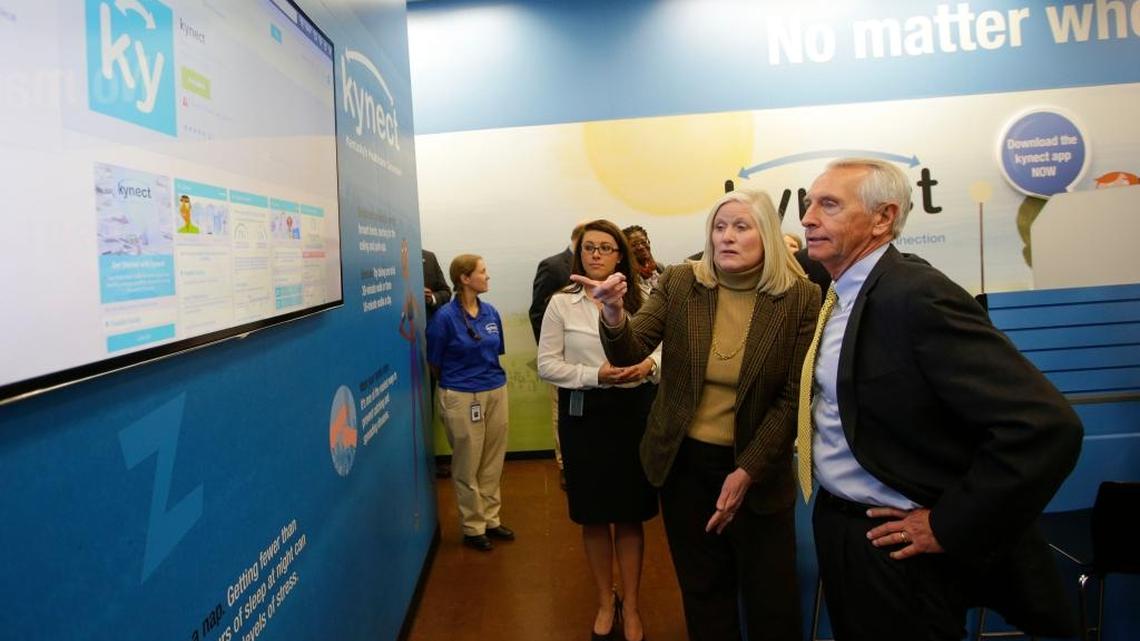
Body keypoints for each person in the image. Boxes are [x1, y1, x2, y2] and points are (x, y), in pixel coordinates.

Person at [798, 158, 1083, 640]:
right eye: (808, 204)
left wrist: (949, 525)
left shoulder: (916, 295)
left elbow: (1046, 425)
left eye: (829, 204)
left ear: (883, 217)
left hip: (900, 552)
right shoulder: (842, 293)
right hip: (843, 528)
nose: (807, 218)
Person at [579, 190, 820, 641]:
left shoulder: (800, 298)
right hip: (685, 465)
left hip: (758, 466)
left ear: (766, 233)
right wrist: (613, 312)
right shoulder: (682, 283)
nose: (726, 236)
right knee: (704, 591)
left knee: (772, 599)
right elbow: (632, 347)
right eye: (719, 226)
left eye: (741, 227)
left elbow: (792, 397)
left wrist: (747, 470)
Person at [538, 219, 662, 641]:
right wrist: (597, 375)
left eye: (605, 248)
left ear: (620, 255)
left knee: (630, 517)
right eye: (589, 247)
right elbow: (547, 364)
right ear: (579, 254)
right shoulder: (561, 303)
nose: (595, 254)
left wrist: (650, 365)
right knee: (593, 517)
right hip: (584, 414)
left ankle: (632, 607)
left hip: (634, 412)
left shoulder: (645, 297)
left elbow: (667, 347)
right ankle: (605, 602)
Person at [426, 254, 515, 551]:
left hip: (495, 390)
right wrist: (460, 382)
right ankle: (473, 526)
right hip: (461, 395)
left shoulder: (490, 312)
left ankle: (491, 518)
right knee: (467, 463)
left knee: (492, 459)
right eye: (482, 271)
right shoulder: (444, 319)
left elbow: (496, 350)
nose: (487, 276)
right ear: (465, 279)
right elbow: (435, 363)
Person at [530, 223, 586, 488]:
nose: (596, 251)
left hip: (595, 358)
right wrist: (551, 352)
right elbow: (537, 313)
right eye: (590, 243)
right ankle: (566, 464)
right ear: (578, 239)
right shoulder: (552, 266)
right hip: (563, 358)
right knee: (561, 410)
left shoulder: (605, 269)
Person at [623, 224, 663, 292]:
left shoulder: (659, 267)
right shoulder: (627, 276)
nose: (641, 247)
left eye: (644, 242)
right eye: (634, 245)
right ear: (626, 249)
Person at [422, 249, 451, 321]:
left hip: (428, 326)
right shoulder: (390, 257)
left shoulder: (429, 257)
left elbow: (446, 293)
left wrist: (431, 298)